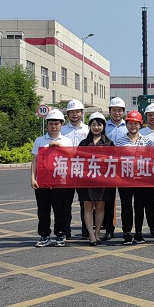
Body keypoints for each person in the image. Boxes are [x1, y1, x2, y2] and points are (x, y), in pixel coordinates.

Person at [30, 109, 74, 247]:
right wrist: (33, 178)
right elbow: (35, 160)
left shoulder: (67, 140)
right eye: (51, 124)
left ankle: (60, 235)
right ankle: (44, 235)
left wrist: (60, 146)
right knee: (43, 210)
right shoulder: (40, 141)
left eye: (56, 124)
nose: (53, 126)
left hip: (60, 181)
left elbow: (72, 157)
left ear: (62, 124)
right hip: (43, 182)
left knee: (60, 209)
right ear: (47, 124)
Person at [114, 110, 154, 245]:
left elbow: (151, 160)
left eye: (136, 123)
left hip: (141, 179)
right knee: (126, 206)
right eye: (130, 123)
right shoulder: (120, 141)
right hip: (125, 179)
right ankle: (127, 233)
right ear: (126, 124)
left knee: (139, 206)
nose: (133, 126)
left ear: (140, 124)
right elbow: (116, 160)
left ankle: (138, 232)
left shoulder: (147, 141)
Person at [77, 111, 113, 246]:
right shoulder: (83, 143)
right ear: (89, 126)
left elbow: (114, 161)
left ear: (103, 126)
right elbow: (77, 160)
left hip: (103, 180)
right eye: (93, 125)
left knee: (100, 206)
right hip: (86, 180)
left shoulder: (109, 143)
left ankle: (97, 233)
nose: (96, 127)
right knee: (87, 206)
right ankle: (91, 235)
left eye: (99, 125)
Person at [100, 97, 128, 241]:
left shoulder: (128, 126)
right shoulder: (104, 127)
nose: (117, 113)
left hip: (124, 167)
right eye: (114, 110)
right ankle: (109, 229)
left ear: (123, 112)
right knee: (108, 200)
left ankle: (126, 230)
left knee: (125, 200)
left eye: (119, 110)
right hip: (108, 167)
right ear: (110, 111)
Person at [61, 99, 90, 240]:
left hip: (84, 171)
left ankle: (86, 231)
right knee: (65, 202)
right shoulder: (62, 130)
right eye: (71, 112)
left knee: (86, 202)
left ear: (82, 113)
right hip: (67, 171)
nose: (75, 114)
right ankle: (65, 231)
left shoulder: (88, 130)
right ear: (67, 114)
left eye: (77, 111)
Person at [139, 103, 154, 237]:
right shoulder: (141, 133)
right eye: (150, 115)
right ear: (146, 117)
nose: (153, 117)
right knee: (149, 201)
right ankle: (153, 225)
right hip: (147, 172)